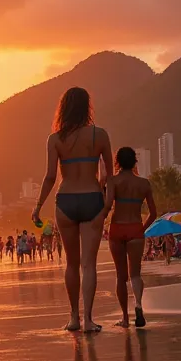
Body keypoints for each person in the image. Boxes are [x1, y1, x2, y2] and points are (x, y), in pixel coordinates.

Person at [32, 87, 112, 333]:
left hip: (65, 201)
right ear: (87, 106)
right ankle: (89, 320)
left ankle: (74, 318)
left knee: (71, 263)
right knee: (89, 264)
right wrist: (105, 199)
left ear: (63, 107)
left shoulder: (55, 139)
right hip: (92, 199)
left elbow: (49, 177)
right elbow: (108, 174)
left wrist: (37, 207)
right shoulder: (99, 135)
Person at [106, 147, 157, 328]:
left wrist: (96, 222)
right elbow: (153, 213)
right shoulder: (144, 184)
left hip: (117, 228)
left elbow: (107, 206)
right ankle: (138, 304)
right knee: (135, 274)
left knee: (121, 277)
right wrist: (140, 229)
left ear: (117, 162)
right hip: (135, 228)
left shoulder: (113, 181)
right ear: (135, 161)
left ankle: (125, 319)